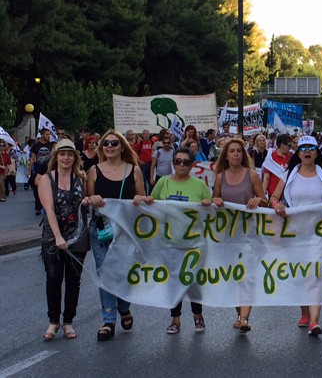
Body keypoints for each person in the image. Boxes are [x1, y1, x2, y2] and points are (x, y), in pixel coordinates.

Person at [269, 136, 322, 337]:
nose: (307, 151)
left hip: (320, 232)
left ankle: (315, 320)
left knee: (315, 274)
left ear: (317, 152)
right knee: (301, 273)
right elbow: (274, 197)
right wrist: (277, 205)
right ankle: (304, 312)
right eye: (303, 148)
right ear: (298, 153)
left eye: (311, 148)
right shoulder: (288, 174)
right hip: (295, 231)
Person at [138, 147, 212, 334]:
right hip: (169, 242)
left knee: (193, 281)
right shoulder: (163, 183)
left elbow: (211, 211)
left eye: (185, 162)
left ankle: (198, 316)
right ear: (172, 163)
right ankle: (175, 319)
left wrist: (208, 204)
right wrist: (145, 200)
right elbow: (152, 205)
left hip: (194, 243)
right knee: (174, 281)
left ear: (192, 165)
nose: (181, 165)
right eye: (177, 161)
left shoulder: (199, 186)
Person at [84, 130, 146, 341]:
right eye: (106, 143)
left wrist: (140, 198)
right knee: (105, 273)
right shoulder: (93, 170)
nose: (110, 146)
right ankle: (108, 320)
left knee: (124, 272)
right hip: (101, 228)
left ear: (122, 147)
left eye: (114, 143)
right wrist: (92, 198)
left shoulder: (134, 170)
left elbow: (143, 198)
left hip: (126, 230)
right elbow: (87, 197)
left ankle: (124, 306)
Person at [212, 138, 267, 333]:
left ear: (243, 155)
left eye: (239, 151)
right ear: (225, 156)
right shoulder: (220, 178)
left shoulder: (252, 175)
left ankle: (244, 317)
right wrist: (215, 201)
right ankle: (239, 313)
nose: (235, 154)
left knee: (247, 276)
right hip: (228, 234)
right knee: (233, 277)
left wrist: (256, 200)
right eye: (232, 151)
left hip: (250, 233)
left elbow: (264, 201)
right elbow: (214, 202)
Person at [38, 139, 89, 341]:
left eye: (69, 154)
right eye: (62, 154)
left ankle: (68, 321)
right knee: (53, 279)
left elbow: (90, 199)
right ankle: (53, 321)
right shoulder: (46, 179)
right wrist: (58, 236)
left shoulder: (81, 178)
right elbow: (48, 209)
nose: (66, 158)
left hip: (77, 234)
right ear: (56, 157)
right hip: (53, 236)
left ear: (75, 157)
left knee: (74, 281)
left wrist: (88, 199)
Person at [29, 129, 55, 215]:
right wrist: (29, 170)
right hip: (38, 169)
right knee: (37, 188)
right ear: (42, 135)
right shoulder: (36, 146)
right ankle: (38, 207)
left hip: (48, 169)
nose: (48, 136)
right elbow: (32, 158)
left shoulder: (51, 145)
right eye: (47, 134)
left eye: (49, 134)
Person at [262, 133, 292, 198]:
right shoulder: (270, 158)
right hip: (273, 195)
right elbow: (266, 178)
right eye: (289, 145)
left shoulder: (292, 156)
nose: (291, 148)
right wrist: (262, 196)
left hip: (289, 194)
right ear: (282, 145)